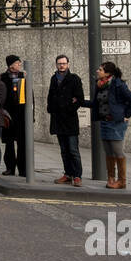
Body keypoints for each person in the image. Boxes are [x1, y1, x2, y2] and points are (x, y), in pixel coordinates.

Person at [80, 61, 131, 190]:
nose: (97, 71)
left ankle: (122, 181)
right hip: (104, 122)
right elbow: (95, 103)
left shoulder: (118, 84)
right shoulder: (99, 85)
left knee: (117, 151)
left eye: (100, 69)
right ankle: (111, 178)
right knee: (108, 151)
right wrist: (79, 102)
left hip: (116, 122)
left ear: (107, 73)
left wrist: (127, 115)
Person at [47, 54, 85, 186]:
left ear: (68, 64)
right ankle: (68, 174)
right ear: (56, 65)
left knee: (73, 150)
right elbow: (50, 96)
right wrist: (51, 109)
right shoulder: (54, 78)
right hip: (58, 119)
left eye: (64, 63)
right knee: (64, 150)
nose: (62, 65)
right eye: (59, 63)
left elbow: (79, 98)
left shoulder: (74, 79)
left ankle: (77, 176)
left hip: (70, 120)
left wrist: (70, 107)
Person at [1, 55, 27, 176]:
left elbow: (29, 96)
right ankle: (10, 168)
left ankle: (23, 169)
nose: (19, 65)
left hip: (22, 115)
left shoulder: (24, 76)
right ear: (11, 65)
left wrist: (30, 115)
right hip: (8, 115)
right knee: (9, 143)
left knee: (22, 143)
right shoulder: (3, 77)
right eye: (17, 63)